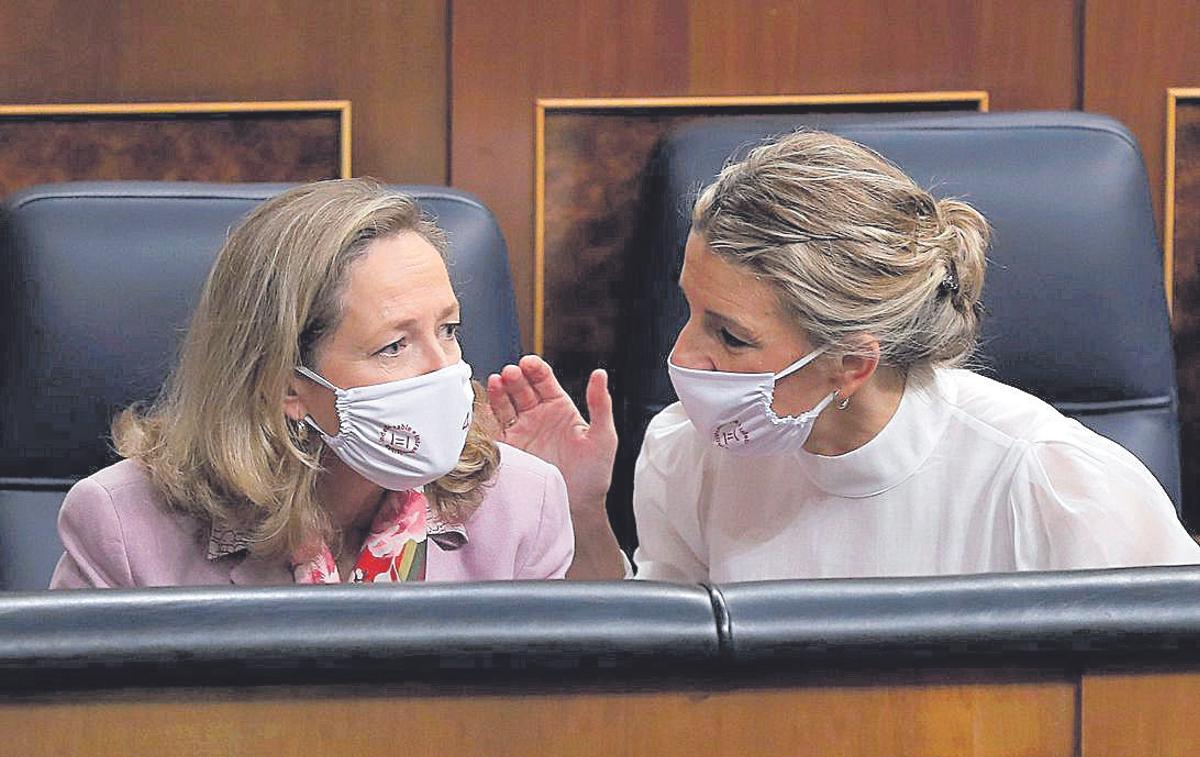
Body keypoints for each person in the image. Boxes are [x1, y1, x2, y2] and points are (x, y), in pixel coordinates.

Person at [487, 129, 1200, 581]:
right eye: (689, 312)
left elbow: (1157, 708)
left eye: (730, 336)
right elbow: (647, 686)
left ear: (851, 364)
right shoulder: (686, 454)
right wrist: (580, 511)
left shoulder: (1049, 479)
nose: (684, 356)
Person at [50, 179, 573, 588]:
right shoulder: (120, 525)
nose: (443, 371)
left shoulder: (523, 504)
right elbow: (83, 726)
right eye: (394, 346)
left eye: (448, 330)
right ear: (286, 385)